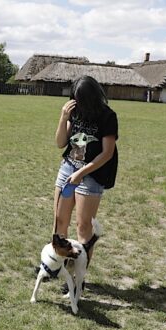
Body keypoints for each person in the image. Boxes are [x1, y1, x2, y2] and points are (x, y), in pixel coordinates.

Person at [53, 75, 118, 275]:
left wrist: (81, 173)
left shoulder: (107, 116)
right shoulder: (74, 112)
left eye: (81, 99)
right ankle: (56, 266)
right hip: (67, 168)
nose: (77, 103)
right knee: (59, 221)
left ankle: (76, 276)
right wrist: (63, 118)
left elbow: (107, 153)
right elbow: (60, 143)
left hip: (91, 175)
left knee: (83, 228)